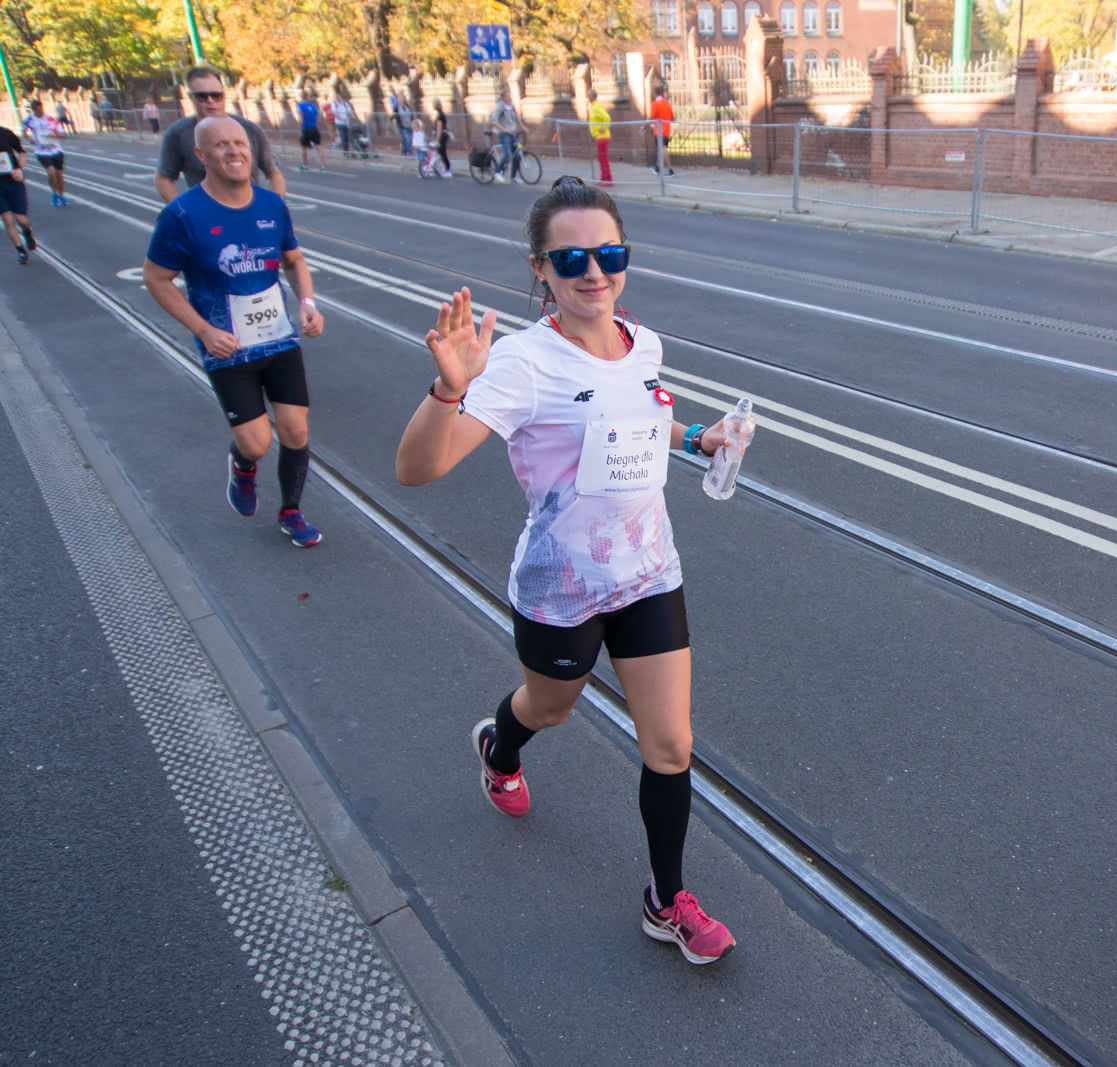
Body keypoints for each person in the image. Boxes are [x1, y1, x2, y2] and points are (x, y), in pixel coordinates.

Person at [394, 176, 748, 966]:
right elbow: (418, 469)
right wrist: (449, 390)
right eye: (574, 257)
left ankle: (666, 898)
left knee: (671, 746)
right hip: (563, 588)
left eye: (611, 253)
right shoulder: (520, 363)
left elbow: (642, 413)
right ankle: (502, 746)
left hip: (649, 573)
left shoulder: (641, 340)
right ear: (541, 268)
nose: (595, 271)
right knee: (550, 707)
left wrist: (697, 438)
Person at [143, 116, 327, 548]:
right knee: (257, 442)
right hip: (226, 347)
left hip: (278, 337)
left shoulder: (271, 204)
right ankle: (243, 466)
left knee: (296, 431)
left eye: (239, 143)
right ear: (202, 156)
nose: (234, 152)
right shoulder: (182, 214)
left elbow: (294, 260)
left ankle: (291, 512)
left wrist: (308, 303)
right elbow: (156, 279)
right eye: (221, 145)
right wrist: (204, 331)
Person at [156, 66, 286, 203]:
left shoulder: (251, 130)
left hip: (250, 215)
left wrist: (275, 209)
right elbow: (163, 179)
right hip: (208, 218)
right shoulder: (179, 133)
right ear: (191, 98)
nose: (210, 101)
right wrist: (185, 214)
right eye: (202, 96)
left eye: (216, 95)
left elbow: (274, 174)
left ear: (224, 95)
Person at [0, 124, 36, 264]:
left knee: (21, 219)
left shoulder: (5, 133)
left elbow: (22, 152)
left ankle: (27, 232)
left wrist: (19, 168)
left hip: (13, 181)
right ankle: (20, 250)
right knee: (7, 219)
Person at [22, 100, 67, 206]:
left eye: (41, 109)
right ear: (33, 110)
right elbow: (23, 132)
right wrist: (29, 138)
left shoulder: (51, 119)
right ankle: (54, 194)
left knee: (59, 174)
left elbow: (63, 135)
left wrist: (54, 136)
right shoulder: (29, 119)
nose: (40, 111)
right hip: (41, 151)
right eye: (37, 110)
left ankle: (61, 195)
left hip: (56, 150)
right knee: (51, 172)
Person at [490, 88, 521, 183]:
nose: (510, 97)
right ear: (503, 97)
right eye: (508, 96)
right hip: (504, 134)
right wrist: (504, 129)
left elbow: (516, 117)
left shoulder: (512, 106)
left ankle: (513, 176)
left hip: (513, 133)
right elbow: (494, 121)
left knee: (517, 154)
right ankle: (497, 172)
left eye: (510, 96)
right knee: (507, 154)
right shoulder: (500, 106)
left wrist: (523, 127)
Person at [296, 93, 327, 171]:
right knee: (318, 147)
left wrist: (299, 129)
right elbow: (317, 118)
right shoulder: (314, 107)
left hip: (306, 128)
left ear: (301, 98)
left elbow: (300, 118)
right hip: (314, 128)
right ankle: (323, 166)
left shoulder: (300, 106)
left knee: (304, 148)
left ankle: (305, 165)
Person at [587, 88, 612, 184]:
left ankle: (607, 179)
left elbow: (607, 117)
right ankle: (603, 178)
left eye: (588, 96)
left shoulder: (597, 106)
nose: (587, 97)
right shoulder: (594, 106)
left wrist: (604, 128)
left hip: (603, 137)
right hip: (598, 136)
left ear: (592, 97)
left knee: (603, 158)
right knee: (601, 158)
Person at [648, 87, 674, 176]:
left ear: (655, 94)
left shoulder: (655, 104)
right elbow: (672, 117)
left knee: (663, 148)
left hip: (659, 130)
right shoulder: (667, 103)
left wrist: (646, 124)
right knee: (661, 148)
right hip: (667, 129)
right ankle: (657, 167)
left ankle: (670, 169)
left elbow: (652, 115)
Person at [431, 103, 452, 179]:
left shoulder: (440, 116)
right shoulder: (441, 115)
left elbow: (439, 129)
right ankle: (441, 169)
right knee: (441, 153)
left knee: (442, 153)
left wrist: (437, 140)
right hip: (443, 136)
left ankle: (448, 170)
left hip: (442, 137)